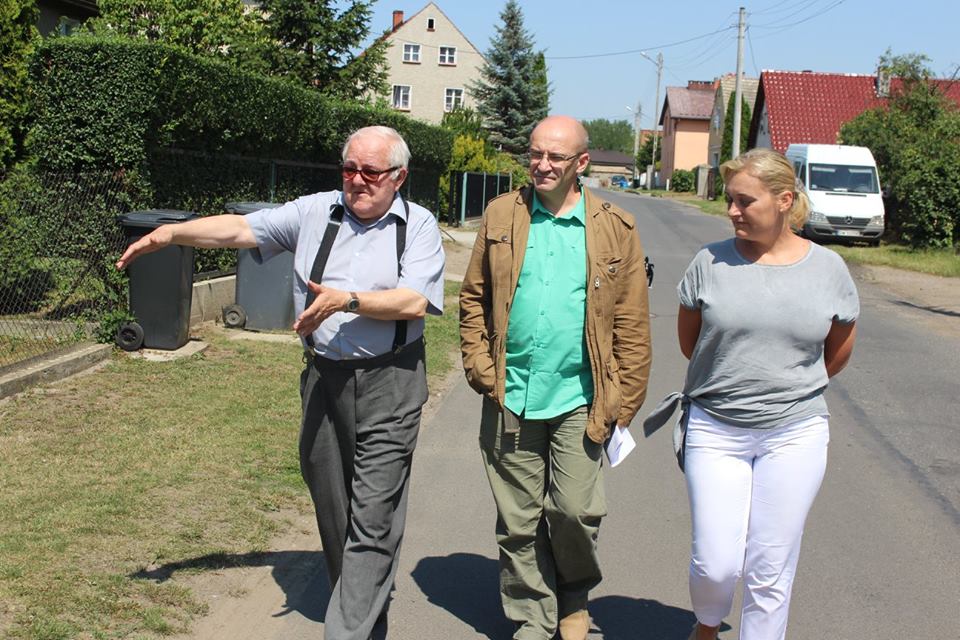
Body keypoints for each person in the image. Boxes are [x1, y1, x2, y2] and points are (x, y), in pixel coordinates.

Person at [116, 125, 445, 640]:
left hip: (391, 381)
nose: (357, 181)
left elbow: (414, 302)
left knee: (375, 512)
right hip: (323, 378)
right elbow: (241, 230)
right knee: (332, 501)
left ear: (400, 177)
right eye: (349, 169)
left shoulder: (419, 225)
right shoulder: (313, 211)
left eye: (371, 172)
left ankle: (347, 630)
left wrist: (346, 299)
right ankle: (361, 605)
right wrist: (172, 234)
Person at [459, 115, 652, 640]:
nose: (542, 165)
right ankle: (533, 619)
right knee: (518, 521)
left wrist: (623, 404)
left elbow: (633, 323)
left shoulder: (615, 226)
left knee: (572, 511)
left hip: (581, 396)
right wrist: (479, 363)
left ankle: (574, 593)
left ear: (581, 164)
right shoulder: (502, 214)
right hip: (511, 393)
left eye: (555, 157)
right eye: (535, 154)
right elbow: (474, 296)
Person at [673, 148, 858, 640]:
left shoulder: (829, 269)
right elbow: (692, 343)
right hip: (715, 427)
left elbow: (837, 354)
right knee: (716, 563)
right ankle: (707, 624)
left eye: (744, 201)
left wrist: (786, 388)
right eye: (729, 200)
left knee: (770, 564)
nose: (731, 211)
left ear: (784, 201)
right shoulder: (709, 262)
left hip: (794, 431)